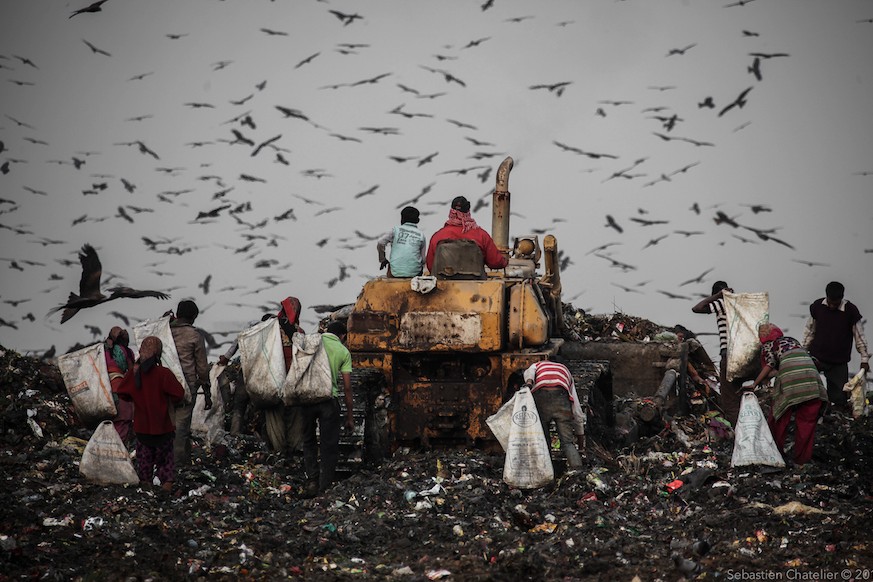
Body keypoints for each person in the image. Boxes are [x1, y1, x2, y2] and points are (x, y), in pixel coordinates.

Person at [115, 336, 186, 491]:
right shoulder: (164, 374)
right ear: (158, 354)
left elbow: (122, 392)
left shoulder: (134, 375)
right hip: (163, 427)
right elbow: (179, 394)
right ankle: (166, 487)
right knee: (165, 461)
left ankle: (146, 486)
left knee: (144, 461)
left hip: (142, 428)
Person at [751, 323, 827, 466]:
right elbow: (814, 362)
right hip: (812, 381)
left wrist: (755, 384)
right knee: (806, 422)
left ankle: (775, 453)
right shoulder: (792, 341)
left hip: (791, 382)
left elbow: (770, 365)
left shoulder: (769, 345)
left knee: (778, 417)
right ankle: (801, 461)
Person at [301, 320, 354, 496]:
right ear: (343, 336)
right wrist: (349, 416)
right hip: (328, 401)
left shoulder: (313, 342)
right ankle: (325, 487)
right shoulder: (343, 351)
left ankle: (311, 482)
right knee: (328, 444)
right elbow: (347, 388)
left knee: (308, 441)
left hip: (307, 399)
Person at [802, 281, 869, 413]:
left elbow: (859, 336)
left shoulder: (850, 311)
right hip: (816, 357)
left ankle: (835, 418)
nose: (832, 306)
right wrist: (803, 352)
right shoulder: (818, 307)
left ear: (841, 298)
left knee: (839, 397)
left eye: (836, 303)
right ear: (826, 296)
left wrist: (864, 360)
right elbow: (810, 331)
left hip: (838, 361)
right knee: (807, 390)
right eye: (830, 302)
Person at [691, 280, 742, 427]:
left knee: (729, 399)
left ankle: (737, 436)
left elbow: (697, 308)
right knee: (737, 394)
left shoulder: (722, 303)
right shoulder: (739, 304)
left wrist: (718, 296)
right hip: (743, 354)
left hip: (729, 354)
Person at [521, 356, 585, 471]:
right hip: (561, 399)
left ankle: (547, 473)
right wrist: (581, 446)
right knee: (567, 443)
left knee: (544, 441)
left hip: (542, 397)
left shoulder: (538, 365)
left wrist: (529, 383)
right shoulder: (565, 370)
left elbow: (529, 371)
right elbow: (577, 411)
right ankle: (577, 470)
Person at [169, 300, 212, 467]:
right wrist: (207, 393)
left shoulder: (165, 332)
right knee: (181, 427)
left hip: (164, 384)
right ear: (193, 317)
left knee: (168, 424)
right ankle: (178, 464)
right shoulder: (194, 335)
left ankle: (173, 461)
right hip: (186, 385)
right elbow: (202, 368)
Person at [425, 195, 508, 274]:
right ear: (468, 211)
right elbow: (495, 262)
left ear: (451, 211)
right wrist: (505, 261)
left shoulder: (438, 236)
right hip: (475, 284)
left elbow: (430, 266)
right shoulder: (481, 235)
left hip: (445, 284)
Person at [104, 326, 135, 446]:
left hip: (103, 392)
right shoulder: (126, 351)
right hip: (119, 390)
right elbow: (132, 374)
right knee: (123, 422)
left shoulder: (103, 351)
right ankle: (117, 451)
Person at [376, 206, 427, 278]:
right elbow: (423, 259)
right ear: (418, 220)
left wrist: (382, 259)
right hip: (414, 274)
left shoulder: (395, 230)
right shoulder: (421, 235)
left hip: (395, 272)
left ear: (401, 219)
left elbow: (381, 242)